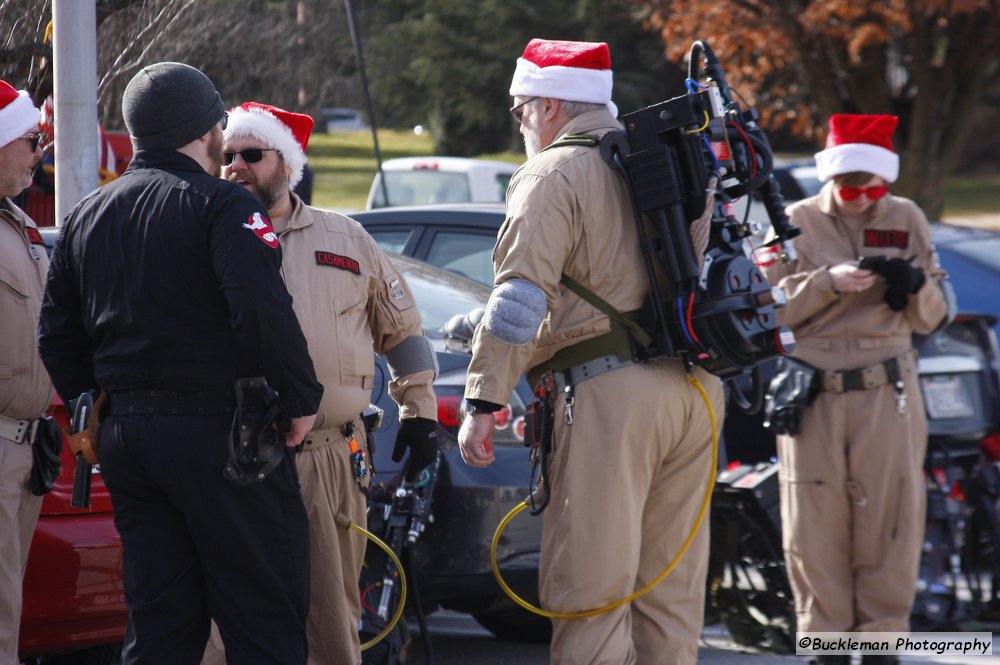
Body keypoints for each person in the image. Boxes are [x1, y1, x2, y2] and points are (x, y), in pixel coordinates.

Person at [37, 62, 323, 665]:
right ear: (205, 130)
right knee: (263, 616)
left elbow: (56, 334)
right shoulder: (222, 206)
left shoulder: (88, 213)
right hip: (224, 438)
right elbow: (259, 308)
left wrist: (97, 401)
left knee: (160, 621)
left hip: (128, 440)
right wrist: (300, 400)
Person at [456, 39, 725, 665]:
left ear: (550, 105)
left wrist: (482, 399)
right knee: (670, 597)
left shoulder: (552, 174)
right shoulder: (666, 155)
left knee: (590, 597)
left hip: (609, 401)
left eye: (521, 109)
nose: (520, 122)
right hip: (694, 390)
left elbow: (519, 303)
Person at [199, 101, 439, 665]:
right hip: (231, 456)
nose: (236, 166)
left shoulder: (347, 238)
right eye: (227, 156)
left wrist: (421, 411)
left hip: (329, 457)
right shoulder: (204, 233)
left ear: (287, 162)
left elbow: (401, 330)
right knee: (224, 623)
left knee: (330, 620)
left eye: (251, 155)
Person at [759, 113, 954, 665]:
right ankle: (826, 644)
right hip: (811, 394)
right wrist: (826, 283)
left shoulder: (907, 217)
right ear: (830, 178)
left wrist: (913, 286)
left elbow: (936, 316)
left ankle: (881, 643)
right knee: (812, 524)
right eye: (850, 185)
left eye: (874, 186)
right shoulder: (793, 220)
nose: (862, 196)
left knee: (890, 519)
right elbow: (765, 308)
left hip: (886, 392)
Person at [0, 79, 52, 665]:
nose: (40, 151)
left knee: (9, 623)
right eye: (30, 139)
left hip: (26, 448)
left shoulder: (20, 225)